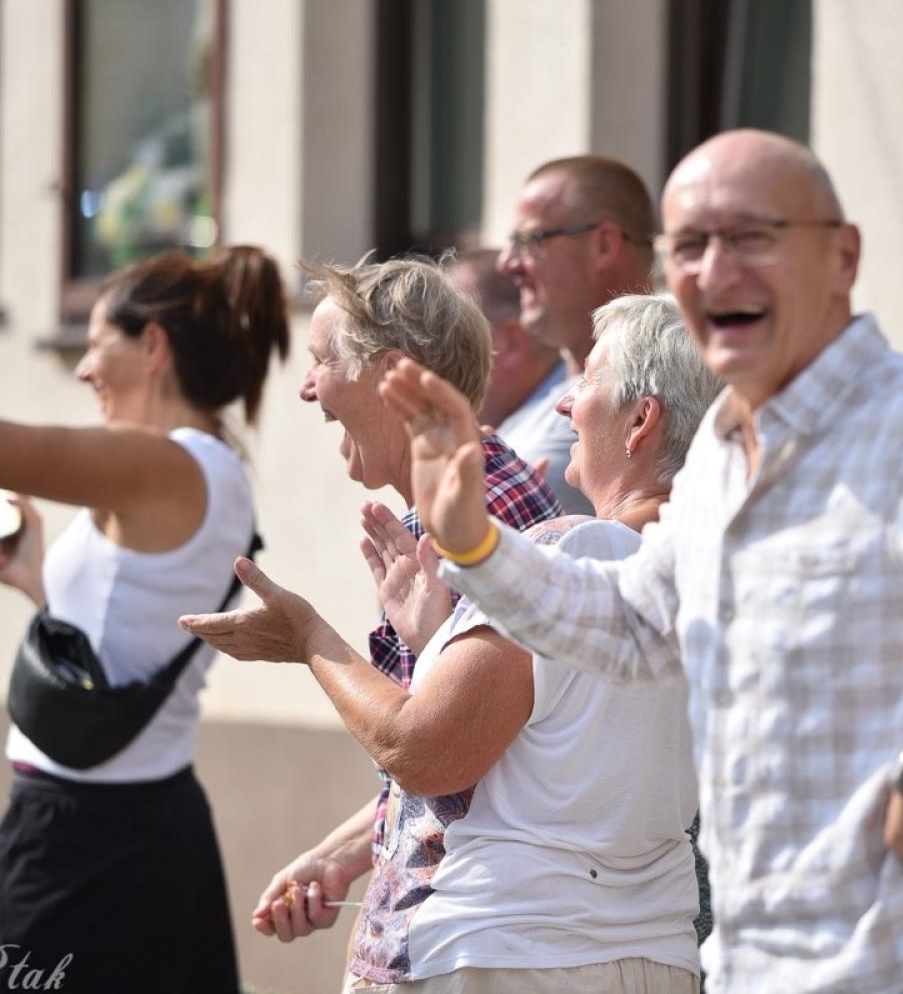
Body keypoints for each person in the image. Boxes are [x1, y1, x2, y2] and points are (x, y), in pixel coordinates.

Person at [380, 130, 903, 993]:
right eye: (692, 246)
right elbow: (634, 624)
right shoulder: (726, 443)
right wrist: (474, 544)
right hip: (773, 960)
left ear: (842, 257)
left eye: (752, 237)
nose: (716, 270)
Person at [182, 293, 720, 992]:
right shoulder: (710, 580)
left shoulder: (574, 553)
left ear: (641, 420)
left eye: (588, 380)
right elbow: (565, 754)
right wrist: (438, 637)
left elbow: (424, 752)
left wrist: (309, 637)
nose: (564, 403)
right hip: (651, 958)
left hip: (518, 958)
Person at [0, 169, 290, 991]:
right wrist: (36, 583)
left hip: (74, 836)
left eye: (96, 343)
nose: (84, 368)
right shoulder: (219, 472)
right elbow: (139, 634)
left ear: (152, 346)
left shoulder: (155, 463)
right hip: (161, 830)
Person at [177, 256, 562, 964]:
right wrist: (339, 855)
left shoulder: (475, 523)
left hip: (477, 947)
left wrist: (308, 639)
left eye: (322, 360)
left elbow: (434, 751)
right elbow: (474, 752)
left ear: (392, 377)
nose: (306, 387)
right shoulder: (469, 501)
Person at [493, 155, 661, 513]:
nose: (507, 263)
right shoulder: (541, 402)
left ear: (604, 245)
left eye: (531, 239)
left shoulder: (667, 389)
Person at [444, 249, 585, 514]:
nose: (426, 358)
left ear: (509, 342)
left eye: (446, 336)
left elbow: (466, 523)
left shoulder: (569, 422)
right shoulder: (527, 422)